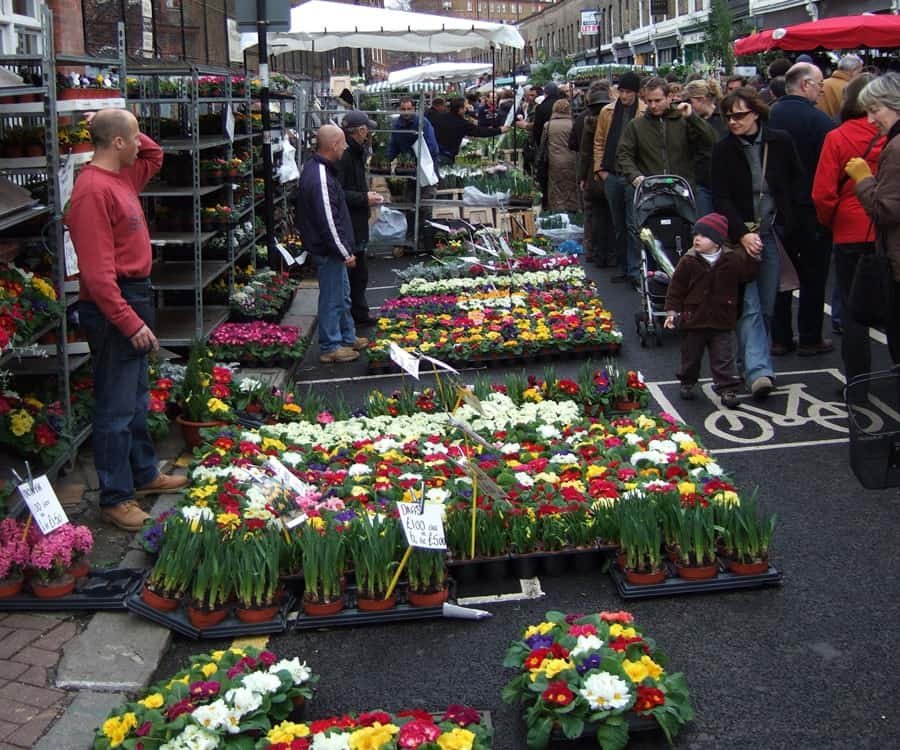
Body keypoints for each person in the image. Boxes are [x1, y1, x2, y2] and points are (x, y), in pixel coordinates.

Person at [65, 108, 186, 532]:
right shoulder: (91, 191)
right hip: (114, 302)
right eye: (132, 138)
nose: (141, 143)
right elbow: (97, 275)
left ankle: (144, 475)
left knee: (135, 398)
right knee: (115, 406)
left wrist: (123, 120)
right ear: (118, 144)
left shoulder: (122, 177)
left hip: (135, 293)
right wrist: (128, 321)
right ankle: (116, 497)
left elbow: (155, 157)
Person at [712, 87, 813, 399]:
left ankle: (750, 360)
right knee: (751, 305)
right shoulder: (724, 149)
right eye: (728, 117)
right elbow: (721, 197)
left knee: (767, 305)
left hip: (771, 234)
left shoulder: (779, 142)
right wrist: (742, 232)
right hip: (739, 238)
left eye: (739, 115)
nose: (732, 122)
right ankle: (759, 372)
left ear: (756, 113)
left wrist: (794, 225)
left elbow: (797, 184)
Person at [813, 74, 883, 383]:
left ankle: (857, 384)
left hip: (851, 231)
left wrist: (831, 222)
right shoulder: (890, 137)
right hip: (887, 231)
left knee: (854, 315)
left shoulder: (838, 137)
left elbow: (823, 193)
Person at [769, 63, 837, 356]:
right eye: (820, 84)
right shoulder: (820, 122)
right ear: (806, 85)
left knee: (779, 278)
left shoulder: (768, 117)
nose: (822, 89)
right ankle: (810, 337)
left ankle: (780, 338)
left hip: (776, 210)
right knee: (813, 277)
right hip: (811, 210)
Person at [664, 212, 760, 408]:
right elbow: (676, 288)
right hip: (693, 320)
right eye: (695, 235)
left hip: (721, 319)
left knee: (723, 358)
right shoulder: (689, 260)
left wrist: (755, 257)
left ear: (717, 241)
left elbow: (746, 275)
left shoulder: (731, 259)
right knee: (691, 357)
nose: (697, 239)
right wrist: (672, 312)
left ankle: (727, 389)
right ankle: (688, 382)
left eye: (704, 235)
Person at [297, 125, 367, 364]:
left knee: (342, 295)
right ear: (333, 145)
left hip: (330, 249)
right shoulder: (320, 177)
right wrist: (344, 251)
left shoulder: (320, 170)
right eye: (343, 143)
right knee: (332, 297)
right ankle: (330, 346)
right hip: (328, 250)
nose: (346, 147)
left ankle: (346, 337)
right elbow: (328, 220)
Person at [847, 72, 900, 363]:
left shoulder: (895, 148)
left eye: (875, 109)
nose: (870, 119)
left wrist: (864, 180)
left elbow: (886, 211)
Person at [593, 71, 645, 284]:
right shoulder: (607, 111)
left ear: (636, 92)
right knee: (618, 225)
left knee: (633, 226)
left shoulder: (644, 111)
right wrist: (601, 171)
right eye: (621, 91)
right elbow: (599, 141)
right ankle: (623, 267)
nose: (624, 96)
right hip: (612, 173)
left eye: (628, 92)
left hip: (633, 176)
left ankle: (634, 269)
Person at [337, 110, 384, 328]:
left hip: (355, 219)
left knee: (360, 271)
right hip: (350, 221)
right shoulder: (346, 155)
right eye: (367, 130)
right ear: (361, 131)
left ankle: (359, 314)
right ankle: (354, 318)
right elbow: (338, 192)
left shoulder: (355, 152)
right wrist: (364, 198)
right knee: (354, 272)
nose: (369, 135)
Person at [577, 83, 613, 265]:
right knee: (611, 215)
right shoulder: (615, 120)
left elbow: (584, 152)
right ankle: (612, 254)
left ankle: (597, 253)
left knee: (595, 215)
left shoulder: (589, 122)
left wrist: (582, 177)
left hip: (594, 174)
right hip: (611, 173)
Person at [684, 79, 728, 216]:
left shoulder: (723, 118)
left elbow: (713, 139)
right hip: (700, 181)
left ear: (701, 99)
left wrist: (692, 118)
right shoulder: (691, 119)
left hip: (722, 181)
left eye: (691, 101)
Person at [431, 97, 508, 166]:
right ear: (460, 109)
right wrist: (500, 130)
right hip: (446, 156)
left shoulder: (440, 117)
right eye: (465, 107)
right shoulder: (461, 123)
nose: (466, 109)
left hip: (434, 153)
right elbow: (480, 132)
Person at [540, 98, 578, 211]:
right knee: (572, 187)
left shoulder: (549, 125)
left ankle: (558, 213)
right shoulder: (573, 123)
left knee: (556, 189)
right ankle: (573, 212)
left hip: (554, 161)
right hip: (572, 160)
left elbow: (543, 144)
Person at [819, 54, 864, 119]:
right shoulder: (852, 88)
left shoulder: (822, 84)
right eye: (860, 71)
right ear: (853, 71)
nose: (860, 75)